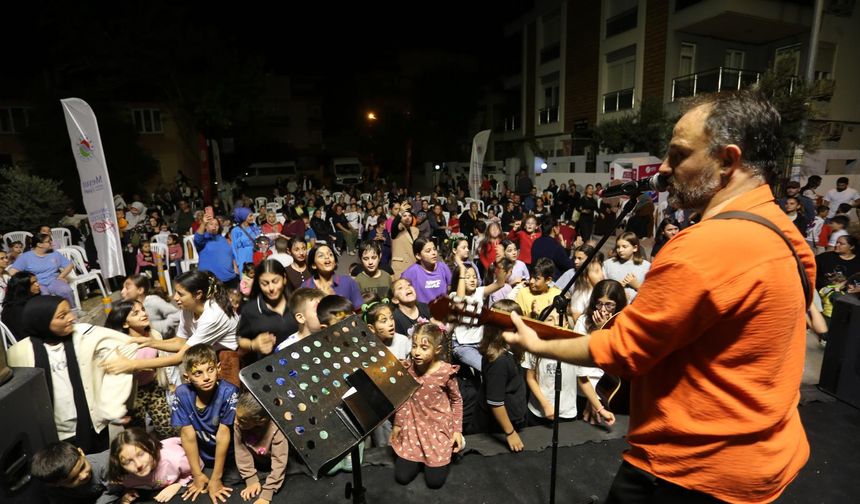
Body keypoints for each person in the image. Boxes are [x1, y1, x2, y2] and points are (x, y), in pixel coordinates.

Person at [502, 91, 816, 503]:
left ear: (727, 161)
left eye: (679, 154)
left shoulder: (702, 246)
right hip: (767, 458)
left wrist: (539, 343)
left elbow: (623, 350)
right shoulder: (785, 232)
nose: (665, 168)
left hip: (691, 471)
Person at [7, 296, 135, 453]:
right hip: (54, 432)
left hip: (92, 424)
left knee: (99, 465)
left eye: (69, 312)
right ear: (41, 321)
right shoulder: (19, 353)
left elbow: (128, 346)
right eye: (62, 316)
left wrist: (111, 400)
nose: (71, 318)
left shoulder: (83, 336)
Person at [390, 323, 463, 489]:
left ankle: (446, 449)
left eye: (424, 347)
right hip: (413, 428)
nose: (416, 352)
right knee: (402, 477)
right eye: (414, 346)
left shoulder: (445, 372)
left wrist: (457, 430)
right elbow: (404, 399)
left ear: (437, 350)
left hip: (437, 429)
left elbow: (457, 401)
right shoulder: (408, 369)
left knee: (434, 482)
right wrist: (398, 425)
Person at [170, 344, 241, 503]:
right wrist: (196, 475)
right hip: (201, 457)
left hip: (227, 456)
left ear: (218, 368)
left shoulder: (230, 392)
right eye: (198, 373)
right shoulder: (182, 393)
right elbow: (187, 435)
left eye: (210, 369)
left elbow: (223, 434)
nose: (206, 377)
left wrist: (216, 478)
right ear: (187, 377)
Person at [104, 301, 176, 440]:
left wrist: (169, 382)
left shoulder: (154, 335)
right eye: (136, 313)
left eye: (143, 309)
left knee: (167, 427)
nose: (144, 314)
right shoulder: (120, 345)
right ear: (125, 324)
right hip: (133, 394)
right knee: (137, 435)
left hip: (154, 387)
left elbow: (163, 361)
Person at [479, 299, 528, 451]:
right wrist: (510, 433)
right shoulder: (498, 361)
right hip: (500, 428)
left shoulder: (510, 349)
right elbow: (495, 402)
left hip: (514, 419)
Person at [107, 427, 199, 503]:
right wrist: (127, 493)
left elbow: (198, 467)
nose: (138, 465)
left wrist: (179, 484)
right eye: (128, 462)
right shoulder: (123, 475)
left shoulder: (175, 459)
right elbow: (128, 485)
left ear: (151, 448)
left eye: (141, 454)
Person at [449, 256, 507, 371]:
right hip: (463, 346)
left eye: (474, 277)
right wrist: (461, 269)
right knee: (485, 368)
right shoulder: (453, 296)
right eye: (467, 277)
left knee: (502, 362)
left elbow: (500, 284)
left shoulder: (479, 292)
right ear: (459, 279)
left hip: (481, 343)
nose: (472, 280)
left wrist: (500, 266)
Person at [236, 259, 299, 361]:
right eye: (265, 283)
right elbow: (240, 338)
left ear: (284, 279)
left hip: (299, 360)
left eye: (275, 281)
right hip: (270, 367)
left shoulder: (297, 302)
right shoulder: (251, 309)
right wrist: (253, 344)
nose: (271, 288)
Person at [233, 392, 289, 504]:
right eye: (236, 416)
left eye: (242, 420)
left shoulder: (276, 430)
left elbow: (279, 461)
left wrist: (267, 493)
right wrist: (250, 478)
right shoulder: (239, 422)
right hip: (256, 462)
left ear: (260, 421)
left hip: (277, 460)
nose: (235, 422)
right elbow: (240, 450)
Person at [31, 441, 119, 504]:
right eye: (73, 479)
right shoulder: (52, 489)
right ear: (56, 484)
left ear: (81, 452)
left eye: (82, 467)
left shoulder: (106, 464)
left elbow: (114, 492)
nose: (84, 476)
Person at [7, 233, 75, 305]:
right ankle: (50, 314)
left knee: (65, 290)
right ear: (39, 244)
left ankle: (73, 310)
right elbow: (12, 272)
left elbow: (69, 265)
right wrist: (27, 283)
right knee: (44, 296)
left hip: (53, 280)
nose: (51, 242)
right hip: (37, 283)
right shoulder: (26, 257)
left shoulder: (55, 253)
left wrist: (61, 276)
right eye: (48, 241)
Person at [301, 244, 363, 309]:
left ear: (335, 262)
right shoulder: (306, 288)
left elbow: (359, 310)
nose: (327, 257)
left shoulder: (348, 282)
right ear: (313, 265)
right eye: (321, 255)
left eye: (330, 254)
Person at [399, 238, 452, 304]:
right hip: (422, 312)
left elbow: (450, 289)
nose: (433, 253)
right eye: (428, 251)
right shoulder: (411, 272)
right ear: (418, 256)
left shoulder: (443, 267)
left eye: (434, 249)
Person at [194, 212, 239, 289]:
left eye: (216, 225)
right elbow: (197, 238)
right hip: (211, 281)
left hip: (230, 279)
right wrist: (203, 223)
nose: (214, 226)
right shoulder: (203, 239)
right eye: (211, 224)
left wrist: (236, 269)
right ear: (206, 226)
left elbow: (231, 255)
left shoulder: (223, 239)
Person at [603, 231, 651, 301]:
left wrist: (637, 286)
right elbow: (602, 289)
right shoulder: (608, 264)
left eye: (624, 247)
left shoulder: (646, 266)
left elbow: (652, 293)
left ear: (635, 248)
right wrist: (616, 287)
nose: (620, 250)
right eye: (618, 247)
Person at [1, 271, 40, 338]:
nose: (37, 284)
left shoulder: (31, 302)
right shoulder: (15, 309)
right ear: (23, 287)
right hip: (27, 343)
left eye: (36, 281)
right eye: (33, 283)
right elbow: (23, 333)